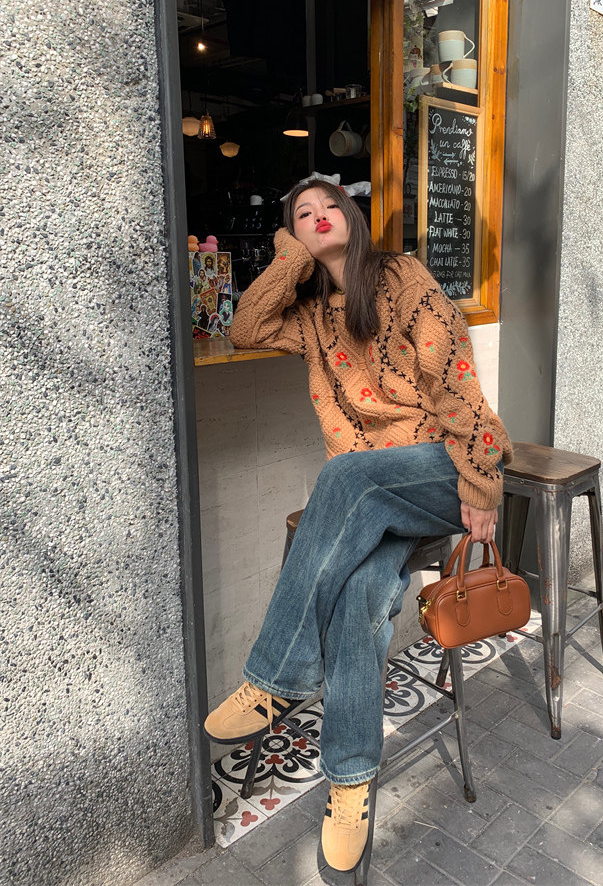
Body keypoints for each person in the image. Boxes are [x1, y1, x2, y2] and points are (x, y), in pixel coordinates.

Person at [204, 179, 512, 873]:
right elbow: (244, 328)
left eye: (328, 206)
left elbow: (456, 378)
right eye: (302, 215)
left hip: (442, 468)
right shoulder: (312, 314)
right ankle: (349, 784)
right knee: (359, 598)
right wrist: (290, 259)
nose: (318, 216)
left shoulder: (401, 278)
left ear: (353, 214)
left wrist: (481, 480)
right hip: (376, 498)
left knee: (346, 478)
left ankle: (276, 676)